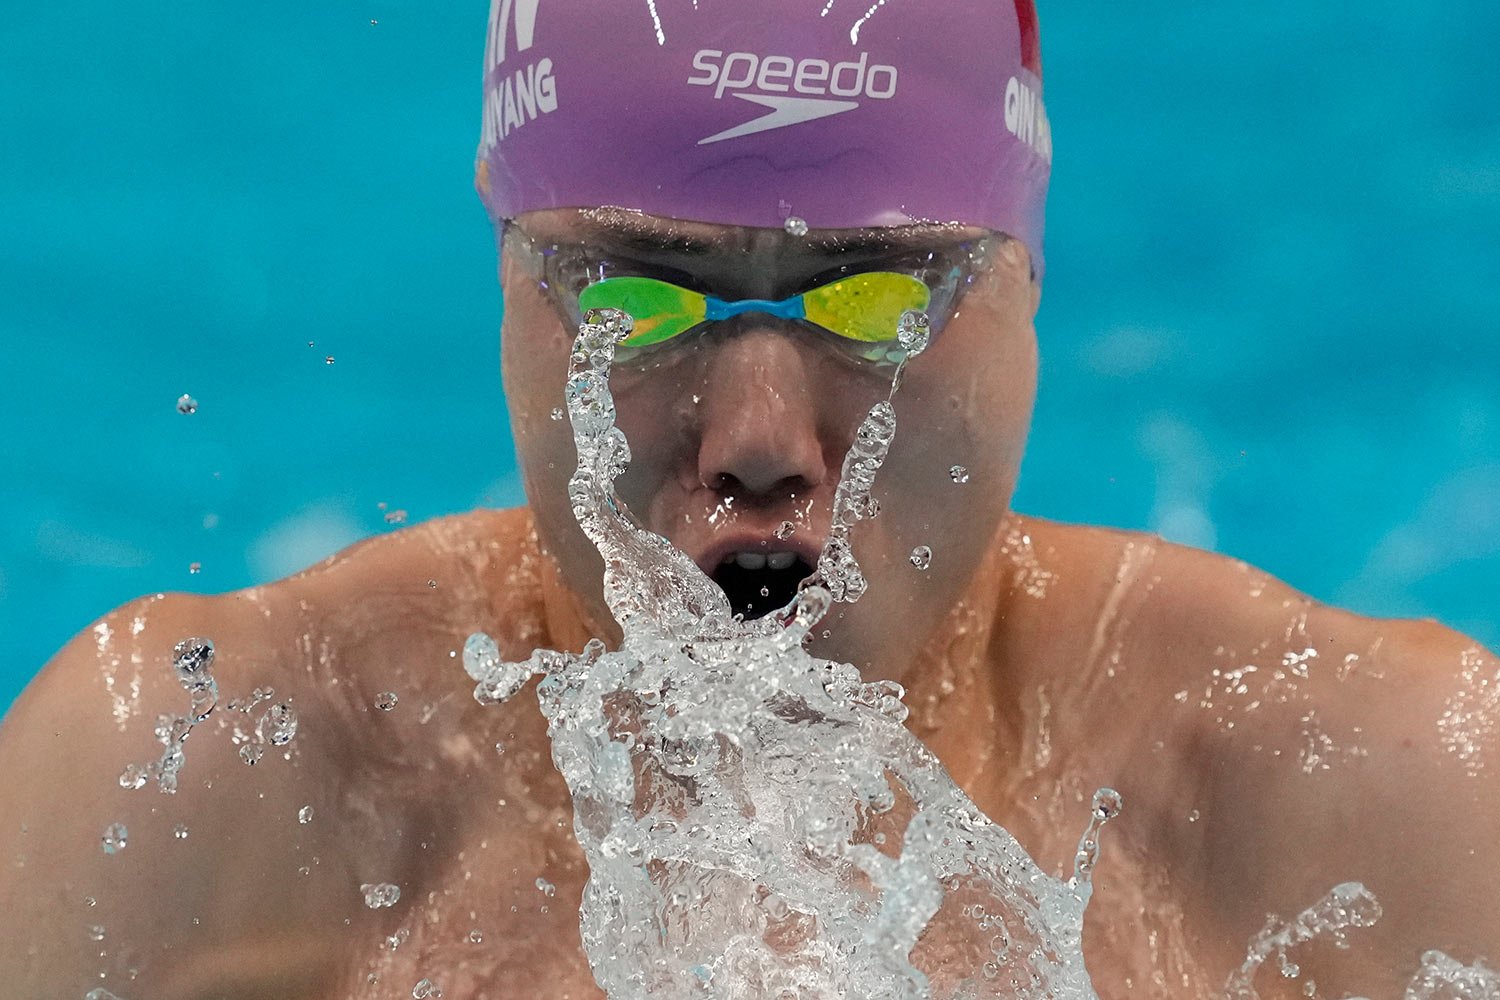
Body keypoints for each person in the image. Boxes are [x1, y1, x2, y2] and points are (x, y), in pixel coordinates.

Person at [1, 1, 1495, 996]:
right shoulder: (193, 789)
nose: (762, 443)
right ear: (514, 287)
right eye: (639, 299)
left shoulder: (1383, 807)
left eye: (873, 301)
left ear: (1029, 283)